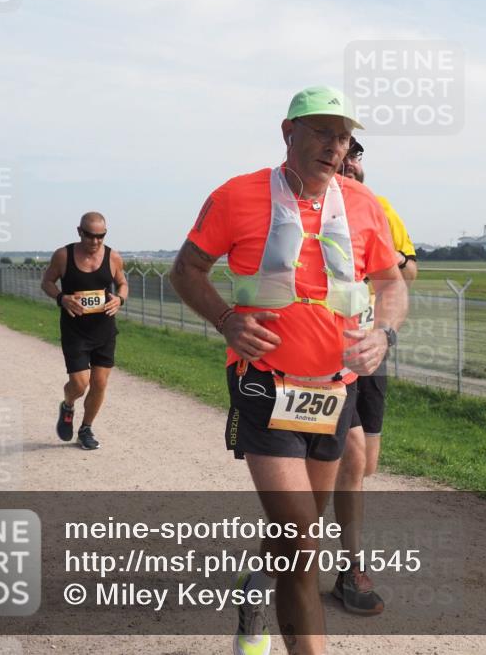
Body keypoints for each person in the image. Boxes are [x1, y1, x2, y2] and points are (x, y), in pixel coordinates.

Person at [170, 85, 408, 655]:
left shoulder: (364, 203)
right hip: (265, 385)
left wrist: (385, 334)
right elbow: (186, 270)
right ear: (288, 132)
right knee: (302, 543)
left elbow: (391, 282)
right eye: (321, 131)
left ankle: (256, 594)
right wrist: (226, 320)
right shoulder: (237, 195)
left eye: (343, 136)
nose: (334, 145)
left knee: (296, 532)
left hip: (335, 391)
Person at [332, 137, 418, 615]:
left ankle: (287, 551)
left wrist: (393, 258)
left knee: (364, 465)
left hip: (368, 350)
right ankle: (349, 567)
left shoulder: (380, 209)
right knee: (349, 456)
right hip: (321, 355)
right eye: (344, 153)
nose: (351, 162)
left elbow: (408, 275)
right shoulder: (305, 208)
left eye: (357, 155)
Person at [41, 212, 128, 450]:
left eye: (101, 236)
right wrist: (62, 298)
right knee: (80, 384)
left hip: (104, 331)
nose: (95, 241)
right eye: (90, 236)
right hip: (75, 331)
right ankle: (68, 405)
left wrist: (120, 299)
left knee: (99, 383)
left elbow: (123, 283)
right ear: (79, 232)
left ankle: (86, 429)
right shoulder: (63, 255)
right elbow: (47, 282)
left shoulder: (113, 257)